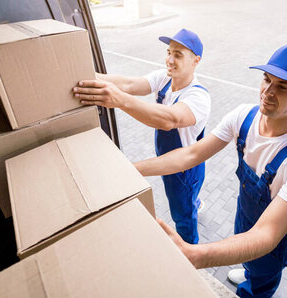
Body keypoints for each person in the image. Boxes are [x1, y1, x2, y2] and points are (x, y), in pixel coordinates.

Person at [134, 44, 287, 297]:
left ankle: (254, 283)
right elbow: (191, 154)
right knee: (246, 249)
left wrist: (196, 255)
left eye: (283, 87)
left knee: (260, 282)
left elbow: (267, 234)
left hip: (274, 237)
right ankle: (250, 269)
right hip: (246, 214)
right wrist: (131, 170)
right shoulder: (244, 116)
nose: (268, 92)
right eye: (266, 79)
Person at [72, 29, 211, 245]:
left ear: (196, 60)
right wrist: (86, 75)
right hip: (167, 157)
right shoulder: (164, 78)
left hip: (184, 170)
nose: (170, 60)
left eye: (178, 55)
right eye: (168, 52)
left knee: (182, 216)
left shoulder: (198, 97)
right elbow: (127, 84)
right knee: (186, 200)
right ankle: (194, 201)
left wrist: (120, 101)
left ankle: (190, 251)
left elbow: (169, 120)